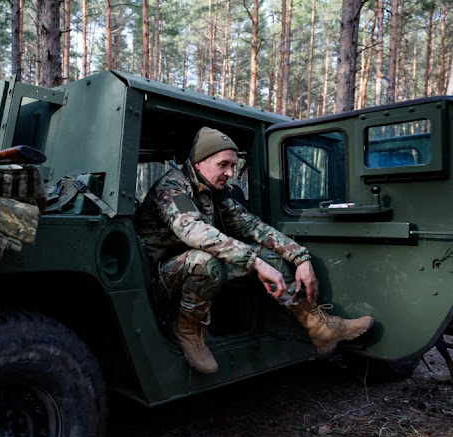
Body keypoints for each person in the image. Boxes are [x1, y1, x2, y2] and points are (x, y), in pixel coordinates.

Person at [135, 127, 374, 373]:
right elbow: (193, 232)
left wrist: (300, 257)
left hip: (189, 270)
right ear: (199, 163)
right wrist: (255, 263)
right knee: (206, 261)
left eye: (233, 165)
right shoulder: (172, 188)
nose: (230, 173)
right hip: (159, 279)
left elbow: (254, 227)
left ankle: (319, 328)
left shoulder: (213, 193)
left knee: (269, 255)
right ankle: (186, 329)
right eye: (223, 165)